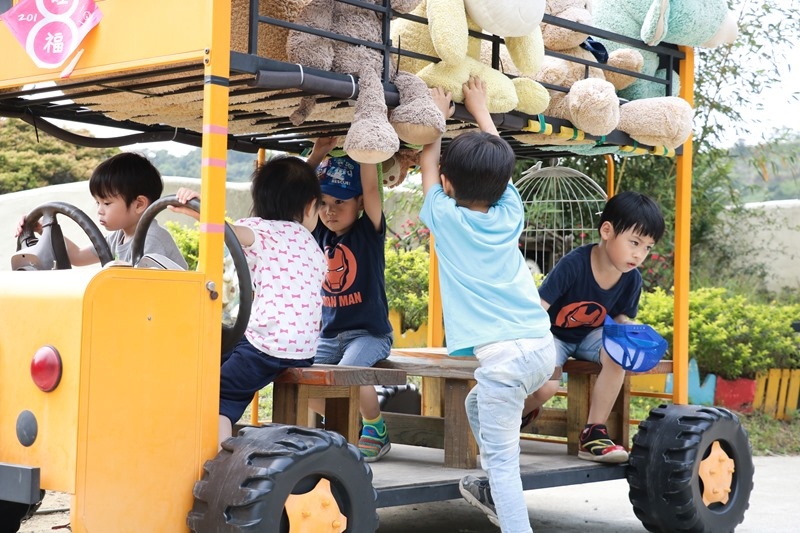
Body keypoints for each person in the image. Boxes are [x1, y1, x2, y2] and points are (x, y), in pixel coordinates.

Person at [419, 76, 556, 533]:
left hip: (502, 363)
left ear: (447, 183)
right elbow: (496, 167)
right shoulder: (510, 213)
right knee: (477, 406)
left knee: (504, 465)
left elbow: (427, 162)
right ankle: (493, 488)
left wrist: (434, 119)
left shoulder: (444, 218)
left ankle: (508, 510)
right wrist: (480, 110)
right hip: (541, 348)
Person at [171, 156, 326, 447]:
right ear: (309, 207)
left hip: (265, 346)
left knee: (217, 393)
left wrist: (198, 211)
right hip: (303, 348)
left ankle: (216, 462)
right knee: (223, 356)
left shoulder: (260, 231)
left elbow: (226, 231)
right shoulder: (311, 243)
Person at [521, 190, 665, 463]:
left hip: (590, 336)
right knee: (547, 388)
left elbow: (621, 317)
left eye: (647, 247)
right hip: (552, 335)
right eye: (634, 242)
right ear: (607, 231)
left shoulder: (631, 279)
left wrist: (630, 333)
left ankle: (593, 434)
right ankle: (512, 416)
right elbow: (539, 308)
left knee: (617, 353)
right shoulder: (574, 264)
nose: (639, 254)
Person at [303, 138, 394, 462]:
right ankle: (343, 426)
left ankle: (375, 429)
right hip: (329, 334)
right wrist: (317, 155)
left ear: (358, 203)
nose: (330, 210)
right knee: (300, 375)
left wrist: (366, 142)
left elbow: (371, 189)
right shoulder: (318, 234)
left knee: (349, 373)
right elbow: (300, 193)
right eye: (324, 202)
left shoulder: (368, 231)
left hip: (368, 334)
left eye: (340, 202)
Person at [16, 152, 187, 268]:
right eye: (97, 203)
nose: (100, 210)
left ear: (139, 204)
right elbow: (77, 256)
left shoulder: (152, 238)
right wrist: (40, 228)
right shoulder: (118, 238)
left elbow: (149, 288)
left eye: (106, 203)